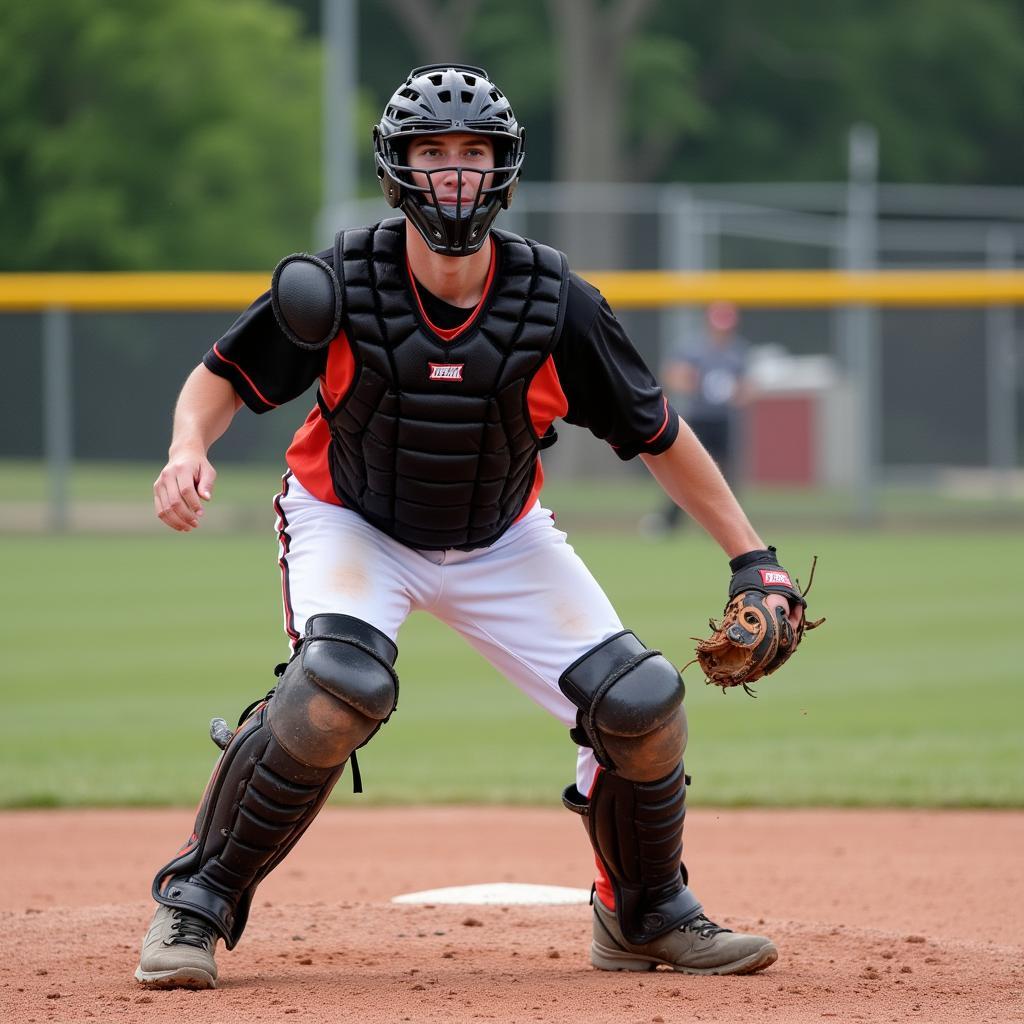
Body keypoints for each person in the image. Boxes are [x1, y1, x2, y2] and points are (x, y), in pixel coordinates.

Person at [136, 64, 806, 989]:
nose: (454, 172)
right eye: (433, 153)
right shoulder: (338, 282)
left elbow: (659, 433)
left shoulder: (554, 301)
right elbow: (219, 378)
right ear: (398, 168)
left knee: (642, 703)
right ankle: (194, 904)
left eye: (473, 153)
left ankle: (643, 914)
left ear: (504, 169)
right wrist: (186, 448)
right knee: (336, 685)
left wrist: (754, 558)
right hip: (351, 519)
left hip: (502, 536)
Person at [642, 301, 751, 534]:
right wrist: (694, 383)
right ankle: (669, 522)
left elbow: (747, 387)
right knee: (688, 472)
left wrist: (736, 393)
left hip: (724, 420)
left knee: (725, 474)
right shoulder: (694, 349)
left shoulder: (737, 351)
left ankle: (727, 527)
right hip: (699, 418)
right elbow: (673, 375)